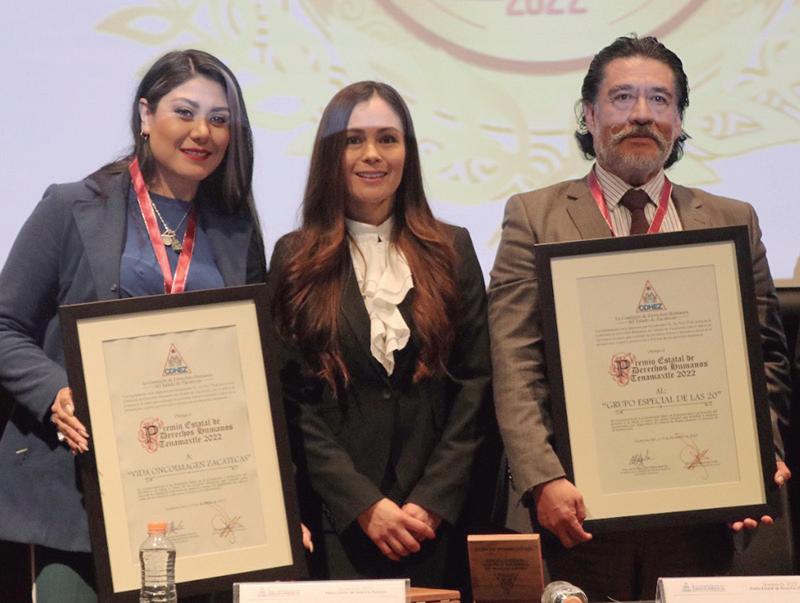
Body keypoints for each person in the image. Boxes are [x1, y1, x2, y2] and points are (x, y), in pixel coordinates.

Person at [488, 35, 792, 601]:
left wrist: (756, 454)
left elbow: (766, 358)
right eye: (622, 97)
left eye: (660, 99)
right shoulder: (534, 216)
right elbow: (514, 361)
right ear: (589, 114)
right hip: (574, 513)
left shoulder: (732, 220)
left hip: (701, 514)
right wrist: (542, 477)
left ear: (678, 120)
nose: (642, 114)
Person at [0, 49, 266, 602]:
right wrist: (56, 393)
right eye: (184, 112)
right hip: (82, 493)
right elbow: (5, 324)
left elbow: (254, 363)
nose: (202, 132)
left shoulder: (237, 228)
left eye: (219, 119)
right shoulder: (71, 206)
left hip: (199, 498)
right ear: (145, 115)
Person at [269, 81, 493, 590]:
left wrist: (432, 501)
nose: (372, 154)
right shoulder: (294, 258)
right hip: (339, 526)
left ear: (407, 153)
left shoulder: (453, 249)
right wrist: (362, 504)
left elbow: (476, 386)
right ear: (330, 154)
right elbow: (291, 401)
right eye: (354, 140)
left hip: (434, 525)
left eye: (387, 139)